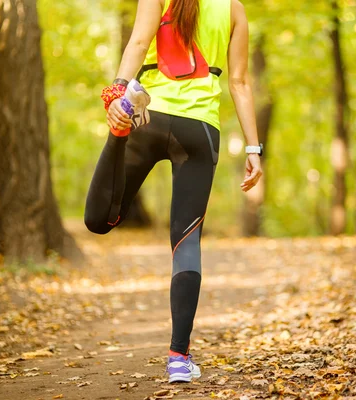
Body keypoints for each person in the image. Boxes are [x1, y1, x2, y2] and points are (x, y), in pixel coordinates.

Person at [84, 0, 263, 384]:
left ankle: (118, 134)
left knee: (100, 221)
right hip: (198, 129)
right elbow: (240, 82)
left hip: (146, 118)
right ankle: (178, 359)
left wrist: (117, 92)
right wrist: (253, 148)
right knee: (186, 241)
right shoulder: (234, 9)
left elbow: (137, 43)